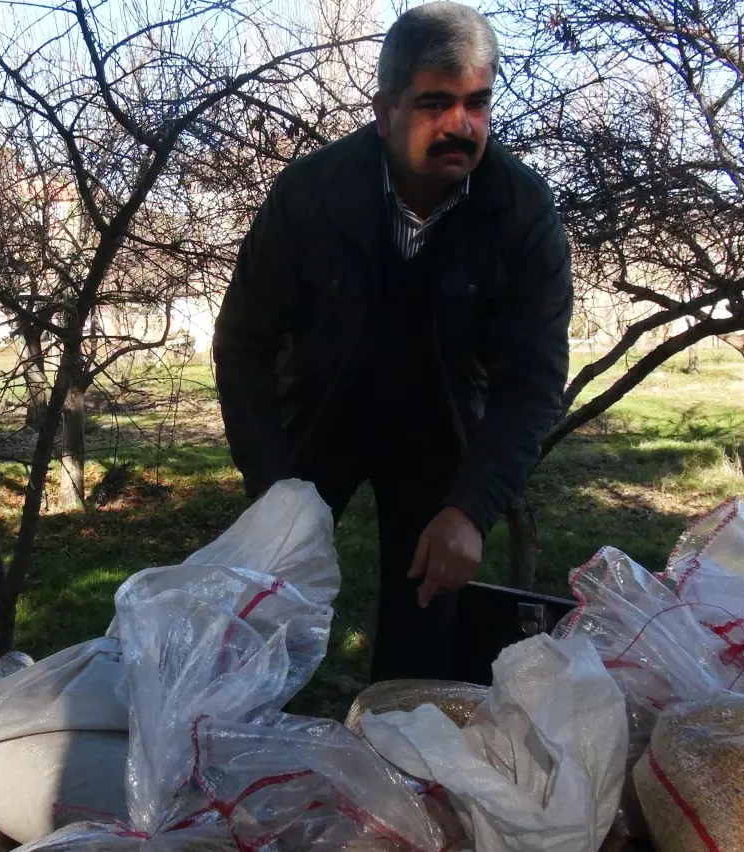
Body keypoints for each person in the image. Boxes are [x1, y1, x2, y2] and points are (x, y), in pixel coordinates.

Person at [213, 1, 573, 682]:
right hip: (322, 409)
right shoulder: (311, 194)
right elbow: (244, 344)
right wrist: (270, 488)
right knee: (263, 596)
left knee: (425, 620)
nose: (461, 126)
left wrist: (471, 509)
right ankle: (240, 746)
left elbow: (532, 380)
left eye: (477, 103)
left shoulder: (521, 211)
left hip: (437, 423)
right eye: (435, 104)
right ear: (384, 114)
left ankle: (397, 756)